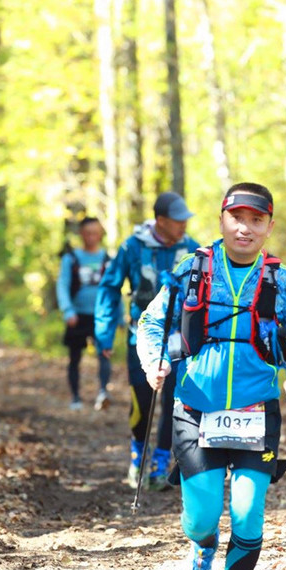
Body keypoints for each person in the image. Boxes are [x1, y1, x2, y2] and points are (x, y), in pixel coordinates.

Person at [137, 182, 286, 570]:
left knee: (247, 510)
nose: (245, 228)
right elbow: (151, 322)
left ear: (269, 227)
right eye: (237, 218)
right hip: (195, 406)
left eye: (256, 220)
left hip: (256, 410)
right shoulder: (193, 268)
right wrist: (154, 361)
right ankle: (202, 547)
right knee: (201, 517)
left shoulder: (281, 279)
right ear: (222, 219)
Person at [95, 192, 200, 490]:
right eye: (178, 220)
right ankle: (138, 453)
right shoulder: (132, 247)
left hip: (180, 340)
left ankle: (161, 461)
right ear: (161, 221)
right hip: (138, 338)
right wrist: (104, 333)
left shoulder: (192, 249)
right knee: (142, 398)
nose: (183, 225)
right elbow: (109, 288)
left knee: (174, 399)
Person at [56, 216, 113, 412]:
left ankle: (103, 392)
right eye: (87, 233)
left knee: (104, 354)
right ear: (81, 234)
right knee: (74, 357)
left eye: (95, 233)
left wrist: (118, 314)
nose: (91, 237)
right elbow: (62, 285)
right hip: (77, 316)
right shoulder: (70, 258)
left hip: (102, 316)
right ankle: (75, 397)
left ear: (100, 234)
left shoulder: (107, 259)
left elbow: (113, 287)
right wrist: (68, 310)